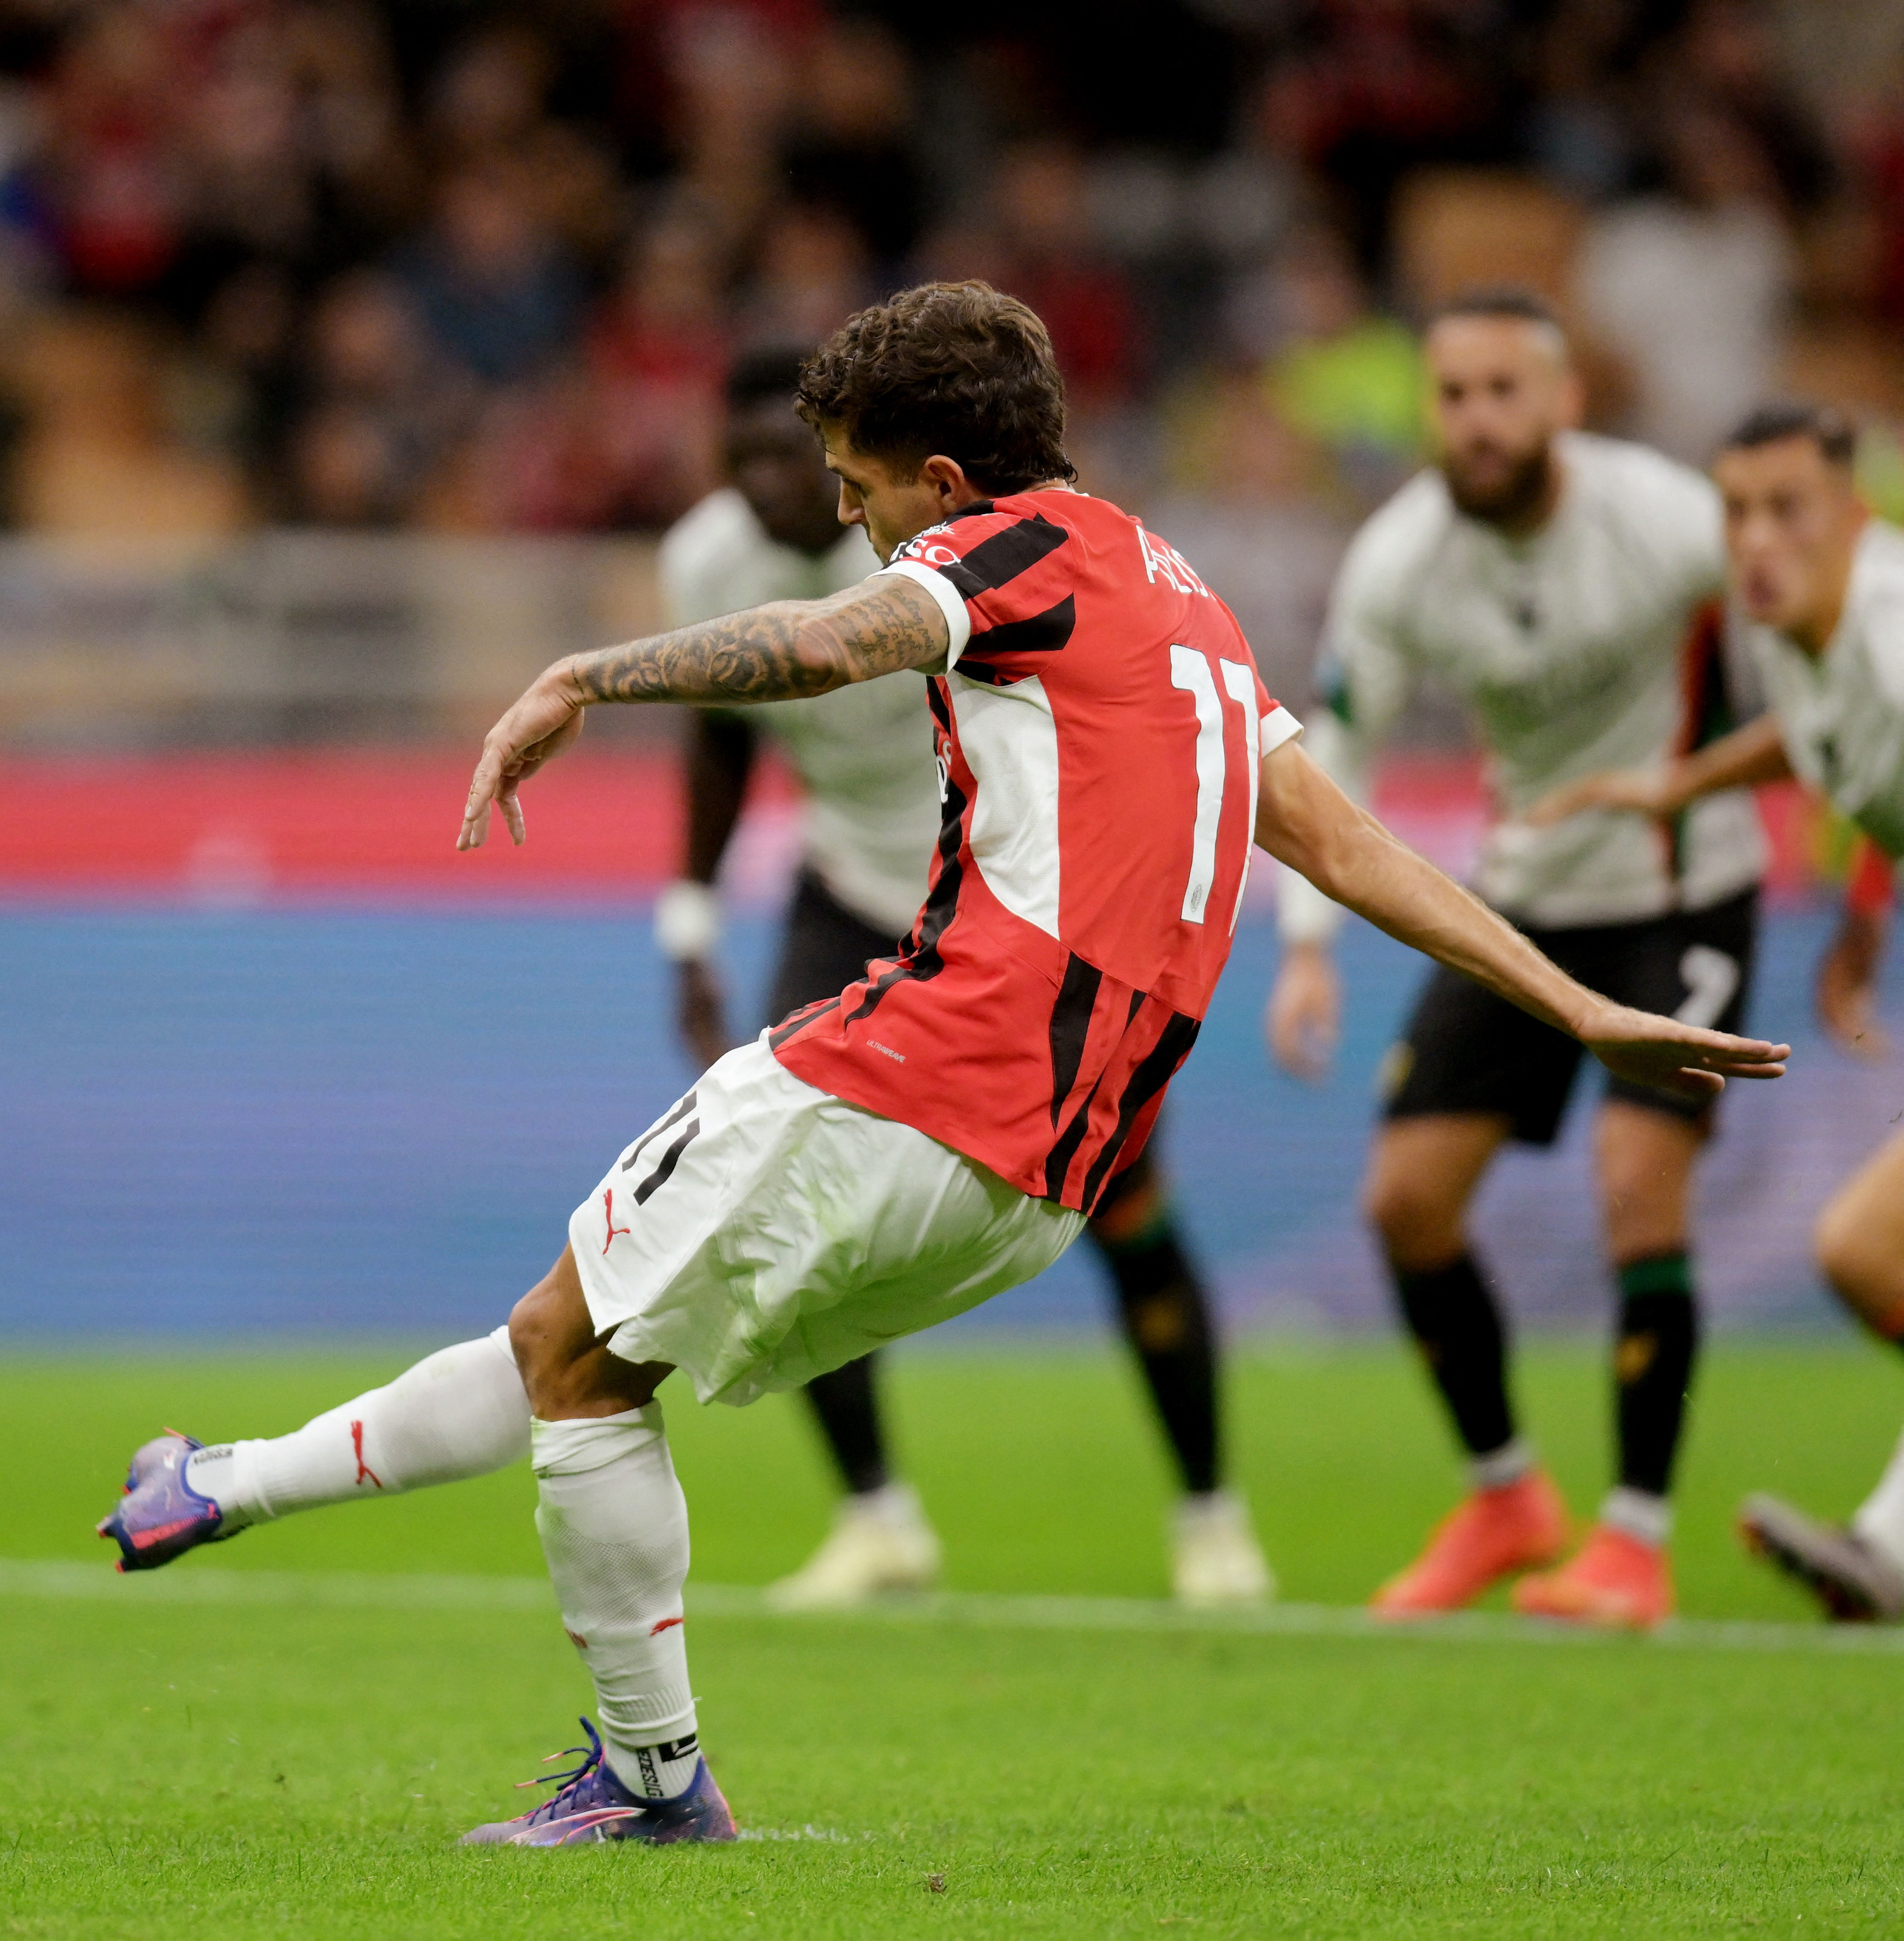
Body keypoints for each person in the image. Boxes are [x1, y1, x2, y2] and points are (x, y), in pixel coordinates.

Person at [93, 281, 1785, 1847]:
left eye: (856, 486)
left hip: (916, 1071)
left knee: (577, 1354)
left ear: (944, 472)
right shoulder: (1174, 594)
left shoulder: (1002, 551)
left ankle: (644, 1773)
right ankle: (221, 1489)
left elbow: (833, 644)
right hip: (1042, 1176)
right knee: (576, 1345)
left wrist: (581, 675)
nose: (849, 519)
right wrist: (1572, 1002)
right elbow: (1343, 847)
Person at [658, 344, 1272, 1609]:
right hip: (849, 888)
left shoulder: (943, 546)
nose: (781, 489)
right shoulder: (708, 560)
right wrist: (689, 924)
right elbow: (723, 747)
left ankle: (1212, 1519)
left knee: (1125, 1207)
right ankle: (877, 1518)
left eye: (806, 462)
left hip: (1014, 906)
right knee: (797, 1199)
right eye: (749, 463)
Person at [1265, 289, 1768, 1631]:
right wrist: (1305, 948)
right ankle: (1505, 1499)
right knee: (1404, 1205)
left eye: (1502, 392)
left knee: (1632, 1183)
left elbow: (1809, 631)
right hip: (1524, 903)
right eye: (1451, 395)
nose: (1475, 421)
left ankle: (1634, 1544)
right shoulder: (1400, 559)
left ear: (1561, 402)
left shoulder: (1663, 517)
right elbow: (1335, 753)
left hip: (1683, 892)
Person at [1534, 404, 1904, 1620]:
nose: (1755, 538)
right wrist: (1681, 781)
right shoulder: (1810, 632)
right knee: (1863, 1256)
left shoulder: (1891, 628)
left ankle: (1890, 1551)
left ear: (1854, 517)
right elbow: (1814, 739)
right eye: (1735, 510)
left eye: (1787, 509)